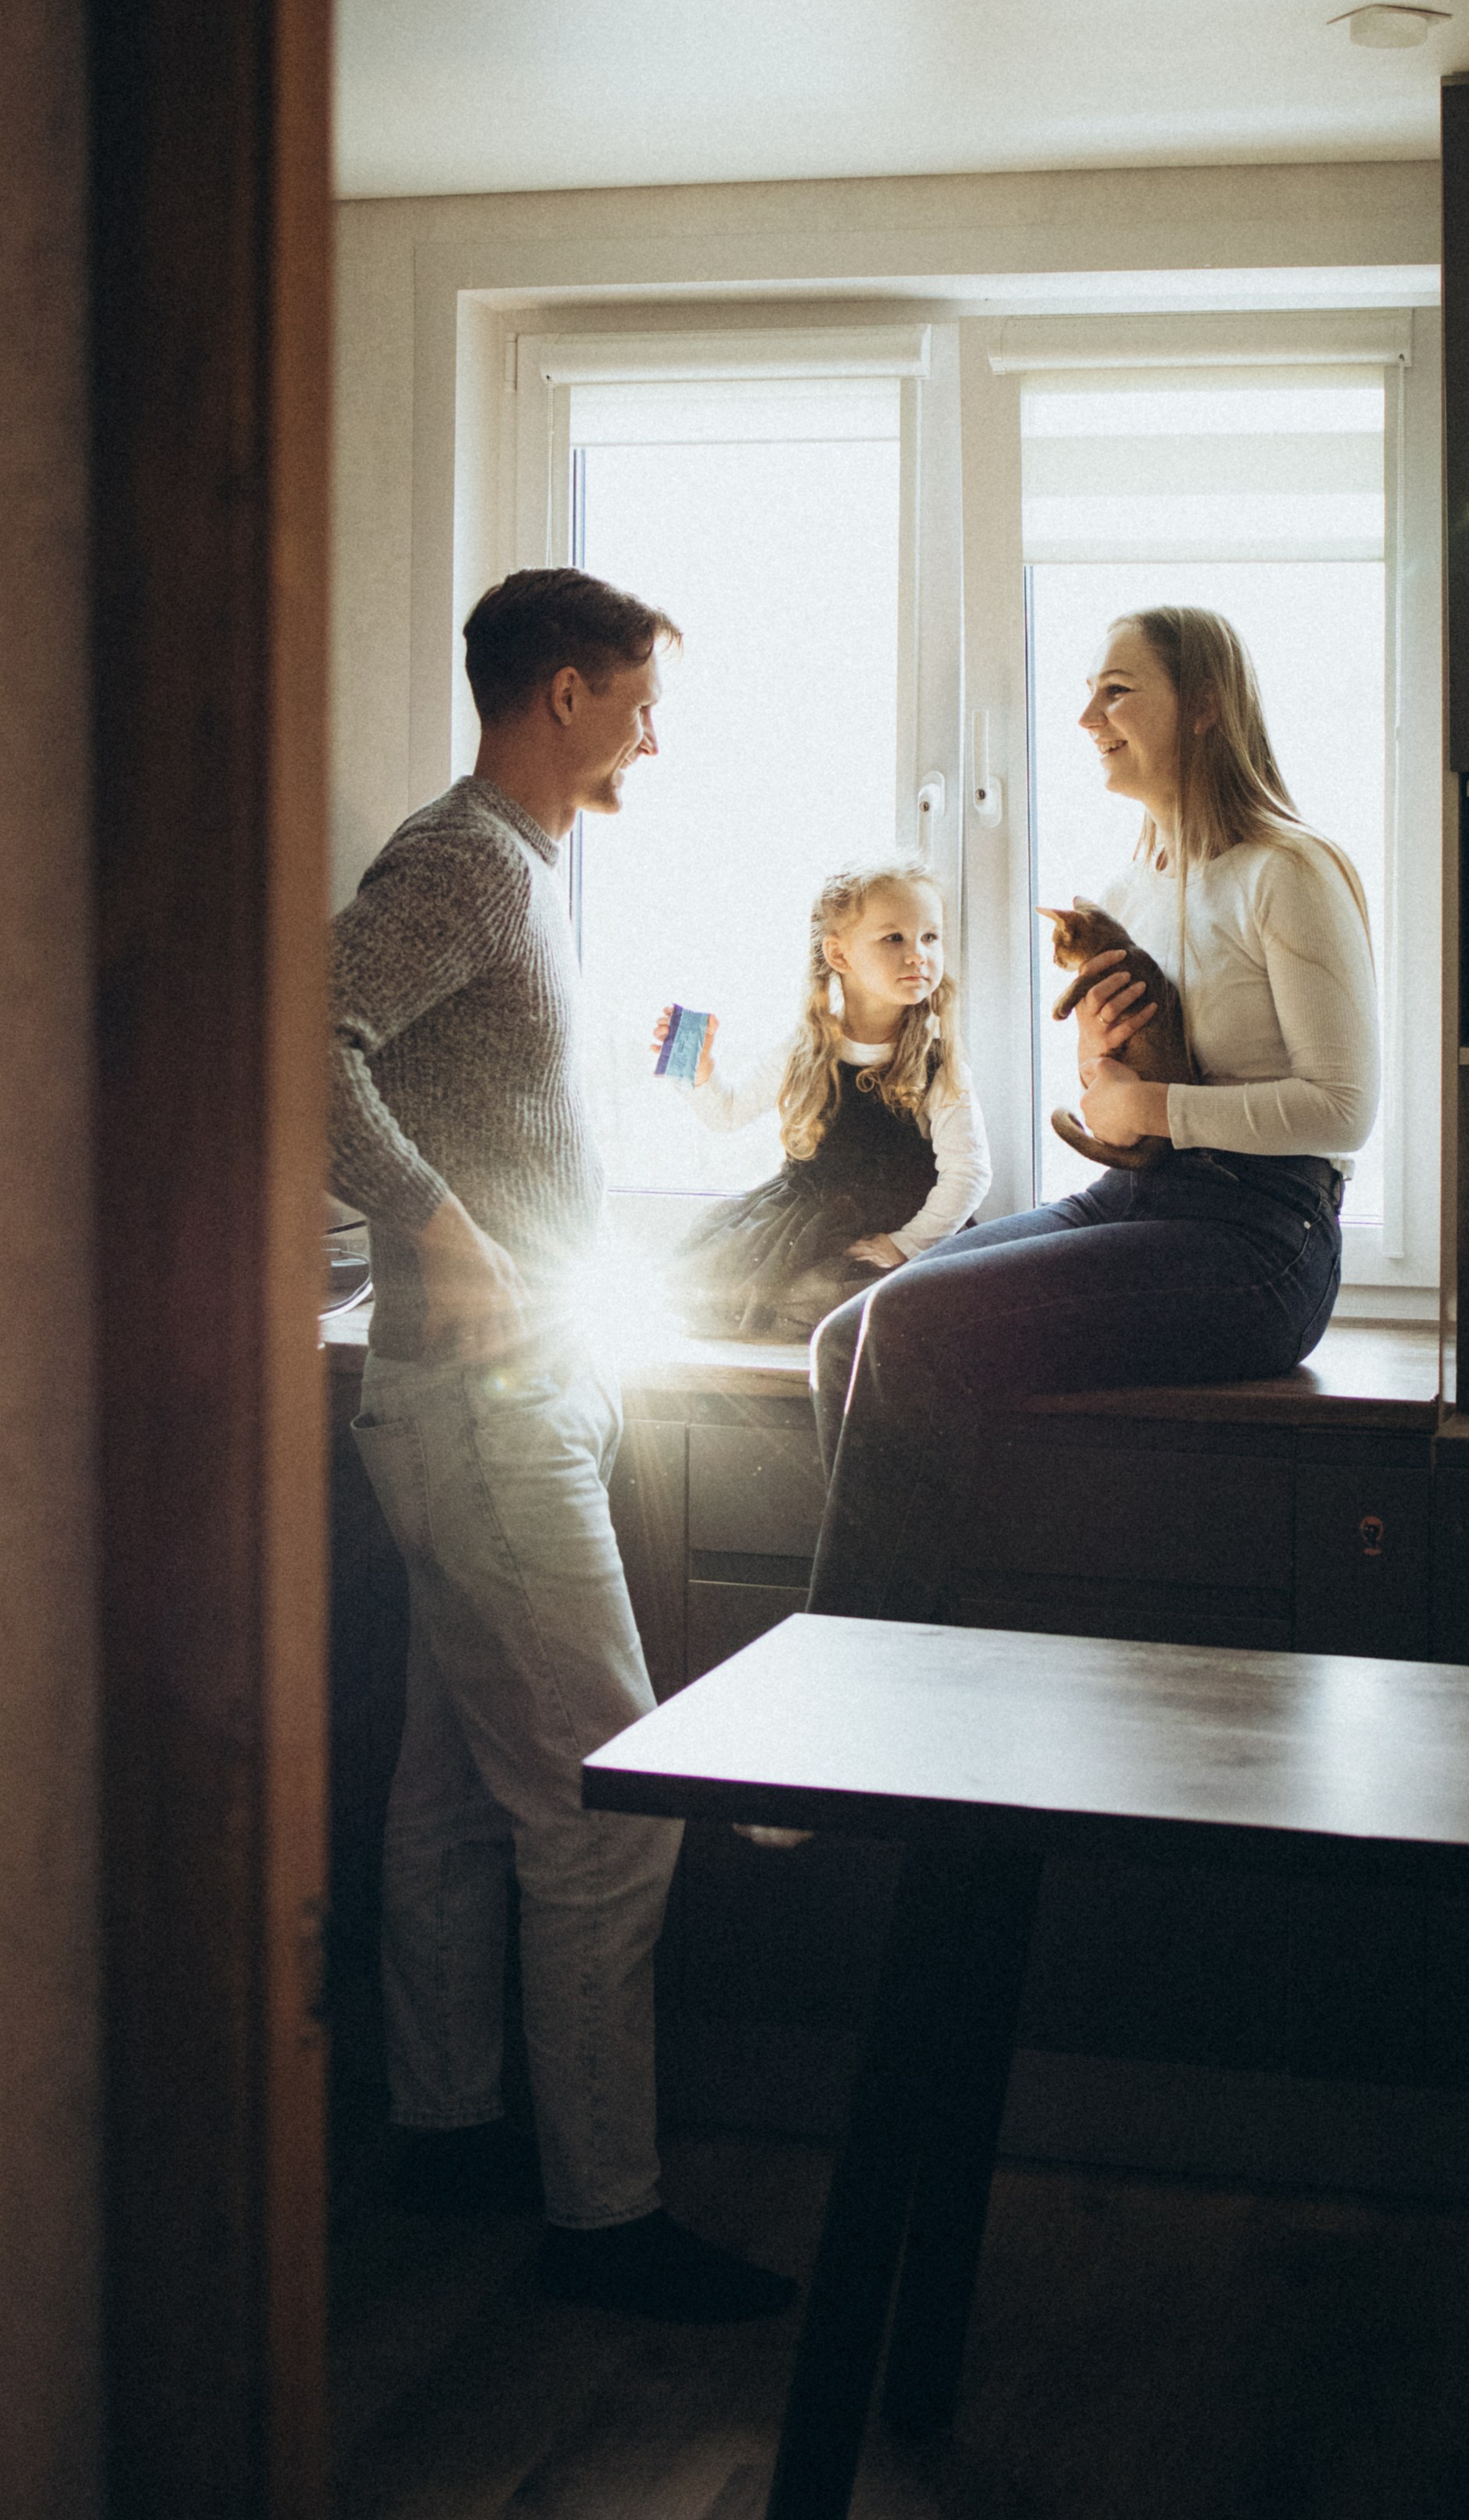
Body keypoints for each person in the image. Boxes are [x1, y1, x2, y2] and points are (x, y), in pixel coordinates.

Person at [328, 564, 792, 2324]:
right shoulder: (459, 860)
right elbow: (305, 1035)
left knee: (454, 1799)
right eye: (637, 698)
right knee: (612, 1819)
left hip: (492, 1398)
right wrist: (431, 1222)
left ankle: (446, 2134)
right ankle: (605, 2223)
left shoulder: (522, 876)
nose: (653, 734)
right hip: (473, 1402)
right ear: (562, 693)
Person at [806, 604, 1379, 1621]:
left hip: (1261, 1241)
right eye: (1088, 692)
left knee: (905, 1328)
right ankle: (923, 1642)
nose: (1085, 718)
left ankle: (867, 1674)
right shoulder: (1129, 886)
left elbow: (1342, 1109)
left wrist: (1150, 1100)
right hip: (1138, 1196)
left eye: (1117, 691)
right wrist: (1113, 1101)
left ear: (1202, 708)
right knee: (847, 1335)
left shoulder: (1286, 870)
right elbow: (1125, 1121)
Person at [651, 859, 990, 1340]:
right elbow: (728, 1114)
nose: (919, 955)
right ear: (839, 956)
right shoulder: (806, 1047)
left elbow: (969, 1171)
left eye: (930, 938)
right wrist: (700, 1073)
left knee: (863, 1299)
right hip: (805, 1226)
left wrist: (905, 1245)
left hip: (901, 1225)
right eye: (894, 938)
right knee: (725, 1288)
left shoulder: (939, 1062)